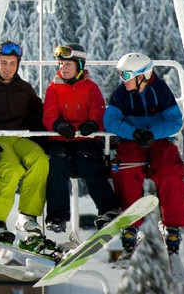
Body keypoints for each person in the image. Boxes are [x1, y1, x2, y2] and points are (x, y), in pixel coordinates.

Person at [0, 41, 60, 258]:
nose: (8, 68)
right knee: (12, 170)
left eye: (12, 63)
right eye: (4, 63)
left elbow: (38, 115)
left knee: (40, 160)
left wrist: (48, 139)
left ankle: (27, 217)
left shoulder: (24, 89)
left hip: (21, 138)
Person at [103, 52, 184, 257]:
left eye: (126, 75)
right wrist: (133, 133)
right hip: (132, 141)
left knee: (169, 169)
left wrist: (153, 133)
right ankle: (130, 224)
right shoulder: (121, 93)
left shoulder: (160, 91)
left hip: (158, 140)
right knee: (125, 170)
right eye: (121, 75)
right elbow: (110, 121)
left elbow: (175, 121)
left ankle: (172, 225)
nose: (123, 80)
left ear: (141, 76)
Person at [41, 42, 121, 233]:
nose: (63, 67)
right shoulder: (54, 88)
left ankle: (108, 209)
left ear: (79, 65)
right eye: (61, 64)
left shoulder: (91, 88)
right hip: (61, 139)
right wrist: (58, 125)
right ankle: (57, 215)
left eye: (68, 64)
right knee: (57, 166)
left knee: (91, 165)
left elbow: (99, 112)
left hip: (86, 139)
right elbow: (48, 114)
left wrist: (92, 125)